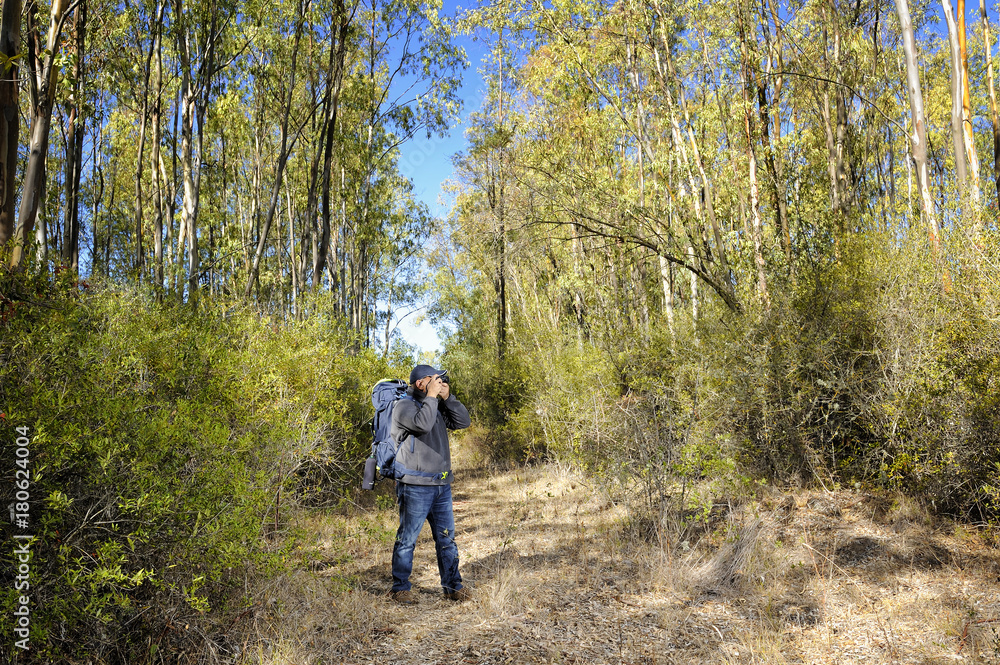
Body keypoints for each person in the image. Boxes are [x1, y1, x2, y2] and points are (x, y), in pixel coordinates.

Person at [388, 364, 472, 604]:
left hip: (441, 485)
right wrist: (433, 398)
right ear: (420, 383)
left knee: (447, 539)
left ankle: (453, 587)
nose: (438, 382)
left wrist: (448, 398)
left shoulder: (434, 404)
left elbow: (463, 422)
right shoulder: (403, 406)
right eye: (433, 379)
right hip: (415, 485)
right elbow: (422, 425)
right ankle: (400, 588)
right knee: (407, 539)